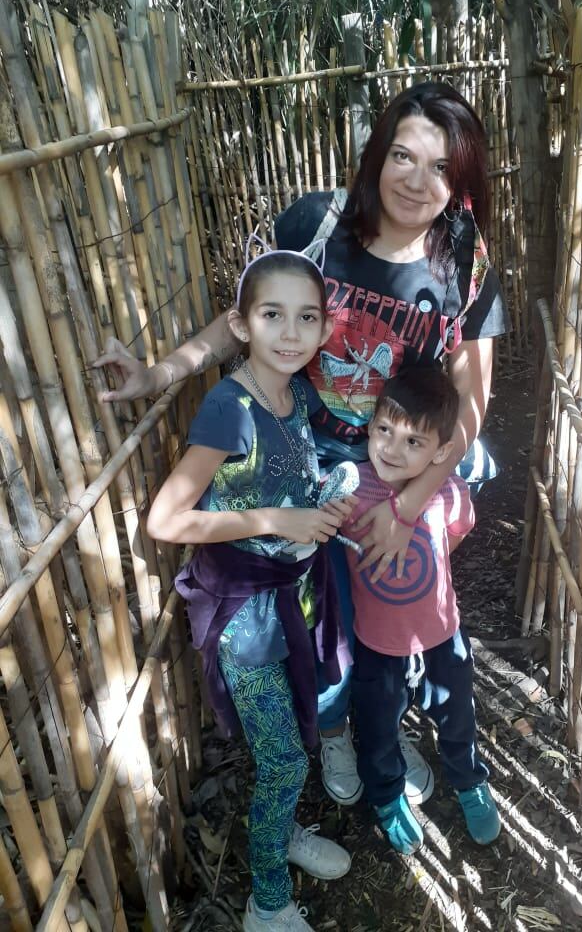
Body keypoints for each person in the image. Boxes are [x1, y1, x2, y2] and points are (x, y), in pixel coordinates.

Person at [96, 81, 510, 810]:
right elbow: (244, 323)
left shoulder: (464, 264)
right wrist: (159, 373)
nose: (417, 180)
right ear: (377, 154)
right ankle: (340, 726)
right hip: (306, 456)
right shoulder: (318, 225)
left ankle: (382, 720)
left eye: (441, 168)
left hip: (400, 463)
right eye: (403, 156)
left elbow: (471, 402)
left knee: (399, 597)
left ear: (463, 180)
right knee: (333, 619)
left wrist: (411, 505)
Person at [146, 250, 355, 932]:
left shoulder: (295, 394)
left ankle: (283, 826)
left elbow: (292, 479)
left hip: (288, 596)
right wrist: (275, 520)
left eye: (306, 318)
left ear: (326, 328)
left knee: (290, 738)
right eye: (272, 316)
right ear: (240, 324)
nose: (290, 333)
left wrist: (323, 502)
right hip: (244, 615)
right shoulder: (227, 408)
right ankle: (265, 900)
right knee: (286, 755)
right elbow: (167, 520)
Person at [340, 366, 500, 855]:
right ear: (370, 425)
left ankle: (469, 780)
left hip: (441, 635)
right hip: (376, 642)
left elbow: (458, 530)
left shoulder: (445, 490)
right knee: (378, 727)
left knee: (457, 715)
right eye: (385, 430)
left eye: (414, 442)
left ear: (442, 452)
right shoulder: (349, 491)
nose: (392, 448)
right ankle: (387, 797)